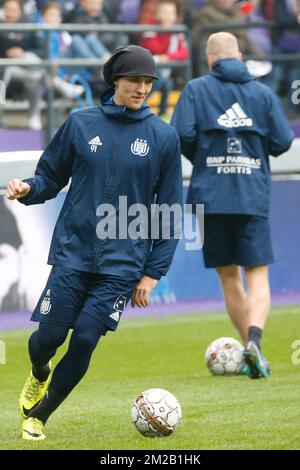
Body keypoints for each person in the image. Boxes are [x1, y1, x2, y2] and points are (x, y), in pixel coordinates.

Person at [6, 45, 183, 440]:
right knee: (48, 339)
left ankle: (39, 415)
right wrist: (27, 187)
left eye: (148, 82)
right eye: (135, 80)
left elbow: (169, 211)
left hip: (124, 262)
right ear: (115, 81)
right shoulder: (80, 124)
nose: (142, 88)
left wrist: (153, 272)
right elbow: (50, 178)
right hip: (73, 252)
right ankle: (39, 372)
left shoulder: (164, 137)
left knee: (85, 337)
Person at [171, 32, 294, 379]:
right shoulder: (263, 93)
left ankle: (253, 351)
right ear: (239, 56)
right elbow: (284, 140)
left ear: (210, 59)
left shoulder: (195, 90)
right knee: (258, 276)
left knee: (229, 277)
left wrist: (207, 158)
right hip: (251, 194)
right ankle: (254, 341)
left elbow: (181, 134)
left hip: (210, 195)